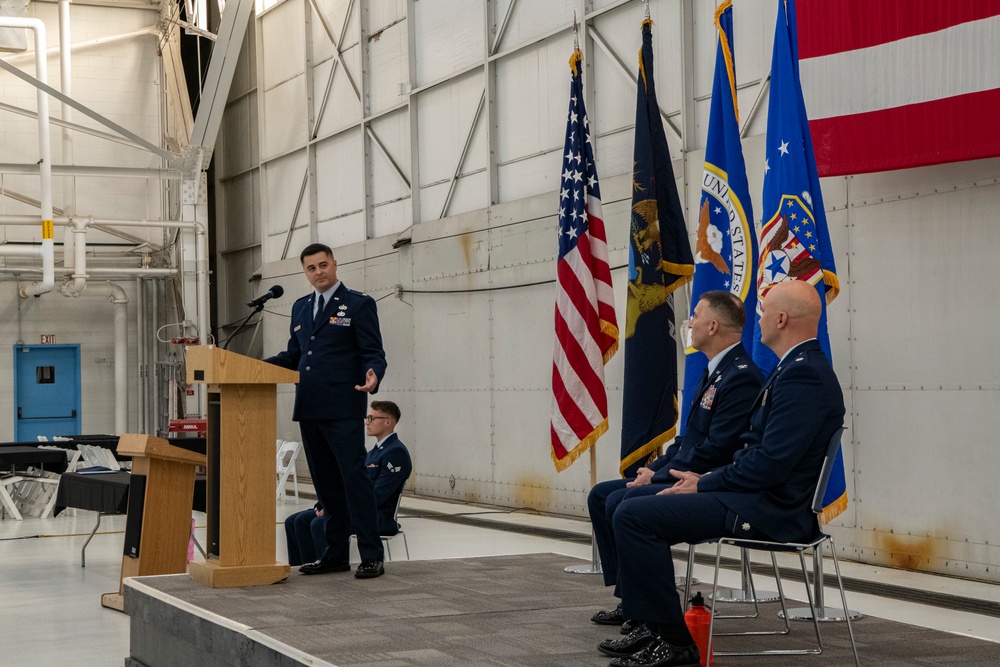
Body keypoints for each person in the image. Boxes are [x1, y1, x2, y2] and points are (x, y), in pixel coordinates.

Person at [602, 281, 846, 667]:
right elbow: (756, 454)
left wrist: (705, 481)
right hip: (751, 495)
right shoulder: (792, 369)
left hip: (770, 509)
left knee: (634, 515)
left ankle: (674, 641)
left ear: (781, 319)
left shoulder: (805, 376)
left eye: (765, 311)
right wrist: (704, 481)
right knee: (629, 507)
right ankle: (654, 625)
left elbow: (769, 462)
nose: (759, 318)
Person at [588, 291, 763, 629]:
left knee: (623, 503)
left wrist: (655, 478)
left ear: (712, 326)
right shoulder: (714, 370)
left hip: (705, 479)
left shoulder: (741, 375)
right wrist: (653, 468)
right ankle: (632, 598)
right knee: (600, 496)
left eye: (695, 316)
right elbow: (687, 440)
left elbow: (716, 448)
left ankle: (645, 612)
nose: (689, 323)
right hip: (682, 470)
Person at [266, 242, 388, 579]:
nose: (319, 272)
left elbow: (373, 351)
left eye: (323, 265)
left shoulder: (358, 304)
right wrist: (249, 366)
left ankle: (371, 555)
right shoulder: (301, 308)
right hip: (309, 406)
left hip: (343, 406)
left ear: (334, 264)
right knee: (326, 485)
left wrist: (374, 374)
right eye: (311, 268)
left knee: (354, 480)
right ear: (304, 273)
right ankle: (334, 553)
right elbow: (294, 356)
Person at [285, 401, 411, 568]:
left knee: (319, 524)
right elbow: (350, 485)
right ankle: (301, 566)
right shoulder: (373, 453)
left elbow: (378, 496)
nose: (367, 422)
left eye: (372, 418)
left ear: (388, 421)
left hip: (377, 516)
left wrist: (342, 508)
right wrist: (327, 503)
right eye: (367, 417)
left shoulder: (396, 452)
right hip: (356, 509)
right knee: (295, 521)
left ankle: (329, 564)